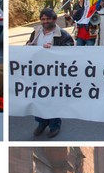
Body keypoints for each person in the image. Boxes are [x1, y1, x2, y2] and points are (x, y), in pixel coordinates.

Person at [26, 8, 73, 139]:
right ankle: (42, 122)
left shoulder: (63, 35)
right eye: (43, 19)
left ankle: (54, 125)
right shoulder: (36, 32)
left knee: (52, 99)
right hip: (36, 71)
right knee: (37, 97)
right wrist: (28, 46)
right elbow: (29, 45)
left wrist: (54, 49)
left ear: (54, 19)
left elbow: (70, 50)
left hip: (54, 73)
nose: (45, 21)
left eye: (47, 19)